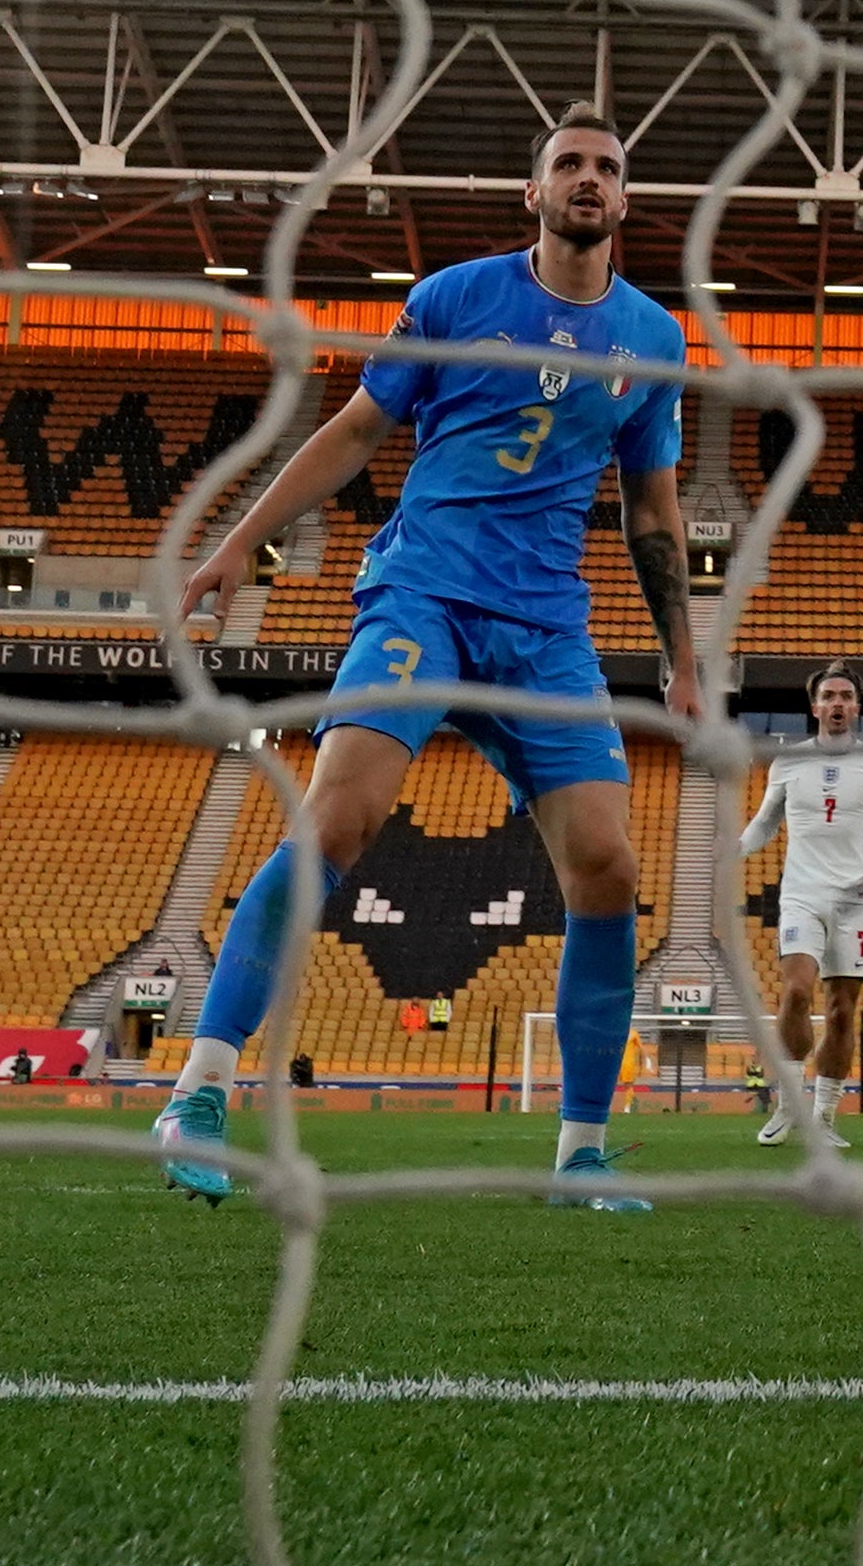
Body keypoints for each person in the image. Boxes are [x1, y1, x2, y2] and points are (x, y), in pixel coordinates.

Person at [160, 109, 699, 1210]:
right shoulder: (454, 296)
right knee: (340, 821)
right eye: (568, 164)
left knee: (609, 865)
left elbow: (653, 510)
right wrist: (237, 541)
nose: (588, 178)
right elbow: (357, 429)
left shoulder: (653, 337)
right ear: (534, 192)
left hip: (546, 627)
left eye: (606, 167)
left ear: (627, 200)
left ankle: (581, 1157)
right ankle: (200, 1090)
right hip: (426, 592)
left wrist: (682, 658)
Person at [732, 669, 863, 1144]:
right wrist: (734, 848)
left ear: (857, 707)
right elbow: (766, 823)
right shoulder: (789, 761)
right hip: (802, 894)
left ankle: (824, 1116)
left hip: (855, 897)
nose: (837, 703)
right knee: (796, 993)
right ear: (814, 708)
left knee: (843, 1011)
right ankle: (789, 1106)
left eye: (846, 696)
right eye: (828, 696)